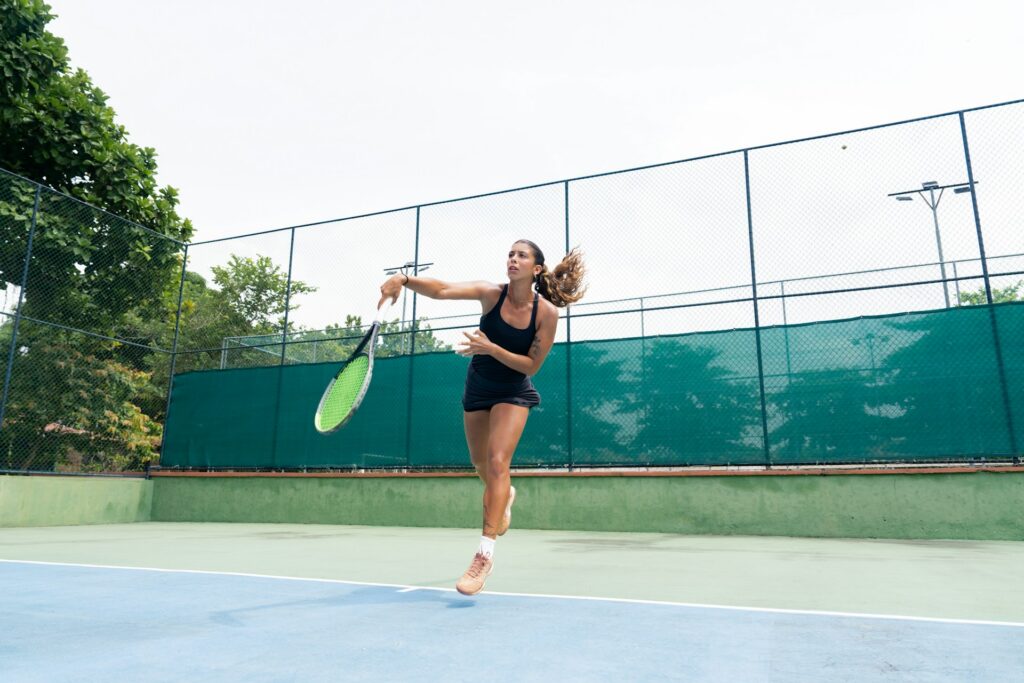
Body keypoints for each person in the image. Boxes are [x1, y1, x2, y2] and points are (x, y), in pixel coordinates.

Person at [378, 240, 586, 595]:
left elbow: (531, 365)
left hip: (513, 391)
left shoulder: (547, 314)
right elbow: (443, 289)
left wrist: (491, 348)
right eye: (510, 254)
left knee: (497, 461)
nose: (513, 259)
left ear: (536, 268)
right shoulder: (491, 294)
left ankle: (483, 556)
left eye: (521, 255)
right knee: (480, 466)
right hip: (478, 388)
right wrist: (404, 278)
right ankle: (505, 496)